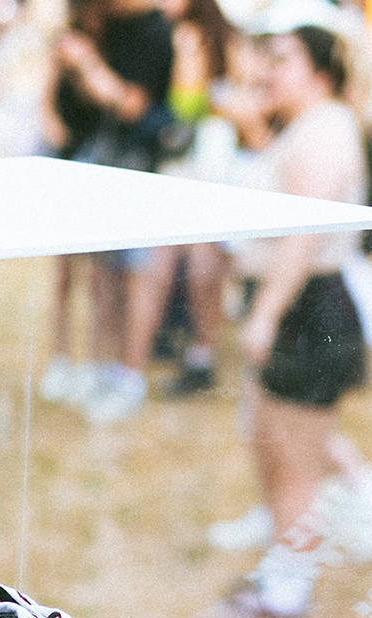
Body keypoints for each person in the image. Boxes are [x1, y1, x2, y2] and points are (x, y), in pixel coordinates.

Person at [226, 11, 369, 618]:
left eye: (283, 59)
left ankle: (290, 588)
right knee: (273, 441)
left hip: (310, 308)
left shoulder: (325, 129)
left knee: (295, 461)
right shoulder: (305, 125)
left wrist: (265, 313)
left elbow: (302, 237)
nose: (268, 71)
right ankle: (282, 568)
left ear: (320, 70)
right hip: (298, 305)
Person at [39, 0, 174, 423]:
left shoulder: (153, 31)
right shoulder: (104, 26)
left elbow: (130, 104)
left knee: (133, 275)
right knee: (98, 275)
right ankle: (95, 367)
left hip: (135, 166)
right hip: (92, 160)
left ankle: (126, 376)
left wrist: (87, 64)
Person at [155, 0, 239, 396]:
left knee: (201, 261)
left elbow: (184, 106)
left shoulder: (191, 37)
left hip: (201, 161)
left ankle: (200, 353)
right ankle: (197, 349)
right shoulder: (223, 36)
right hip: (212, 156)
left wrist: (184, 61)